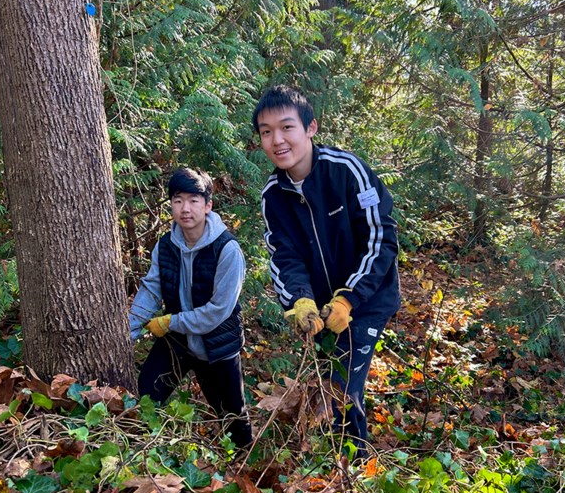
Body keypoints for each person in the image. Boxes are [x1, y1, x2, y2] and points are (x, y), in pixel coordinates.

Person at [255, 85, 400, 458]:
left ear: (311, 128)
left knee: (342, 388)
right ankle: (337, 461)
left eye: (287, 127)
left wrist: (350, 298)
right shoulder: (273, 196)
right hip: (320, 310)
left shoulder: (346, 172)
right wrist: (300, 300)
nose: (277, 139)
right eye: (266, 131)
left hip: (367, 301)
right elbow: (284, 256)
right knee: (326, 382)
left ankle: (359, 470)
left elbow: (381, 237)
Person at [128, 168, 252, 449]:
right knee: (144, 401)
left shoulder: (227, 250)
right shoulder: (166, 245)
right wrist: (128, 331)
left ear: (208, 205)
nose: (185, 208)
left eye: (194, 200)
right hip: (177, 344)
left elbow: (218, 311)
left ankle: (247, 470)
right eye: (178, 200)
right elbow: (151, 289)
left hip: (217, 348)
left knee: (233, 417)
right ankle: (137, 456)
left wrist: (170, 322)